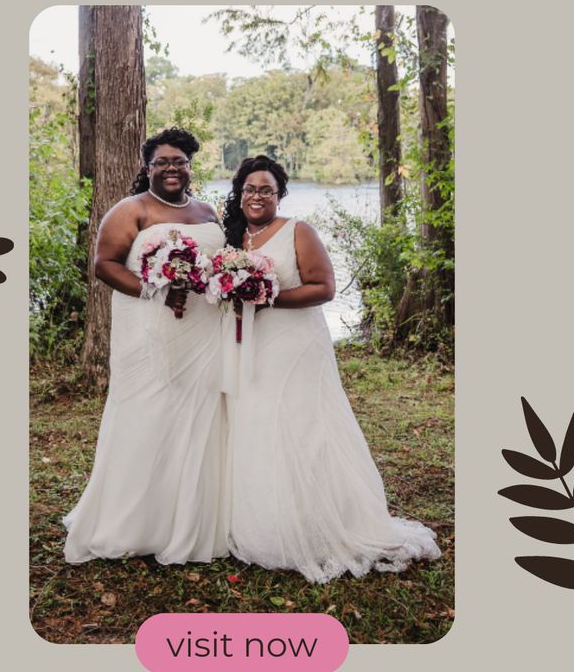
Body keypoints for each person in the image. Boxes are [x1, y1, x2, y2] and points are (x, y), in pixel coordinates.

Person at [222, 155, 441, 584]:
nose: (257, 196)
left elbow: (324, 288)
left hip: (296, 344)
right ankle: (266, 521)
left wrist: (265, 296)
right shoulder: (233, 238)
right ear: (239, 192)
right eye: (250, 188)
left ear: (280, 194)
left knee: (303, 424)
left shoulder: (298, 232)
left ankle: (319, 523)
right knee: (256, 421)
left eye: (267, 189)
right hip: (251, 344)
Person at [63, 128, 227, 565]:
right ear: (147, 167)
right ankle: (134, 523)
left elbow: (217, 267)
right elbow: (104, 265)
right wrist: (155, 291)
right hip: (148, 328)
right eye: (162, 162)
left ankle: (192, 518)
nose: (172, 168)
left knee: (199, 415)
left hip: (203, 329)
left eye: (180, 161)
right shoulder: (130, 210)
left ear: (190, 166)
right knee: (147, 413)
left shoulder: (207, 210)